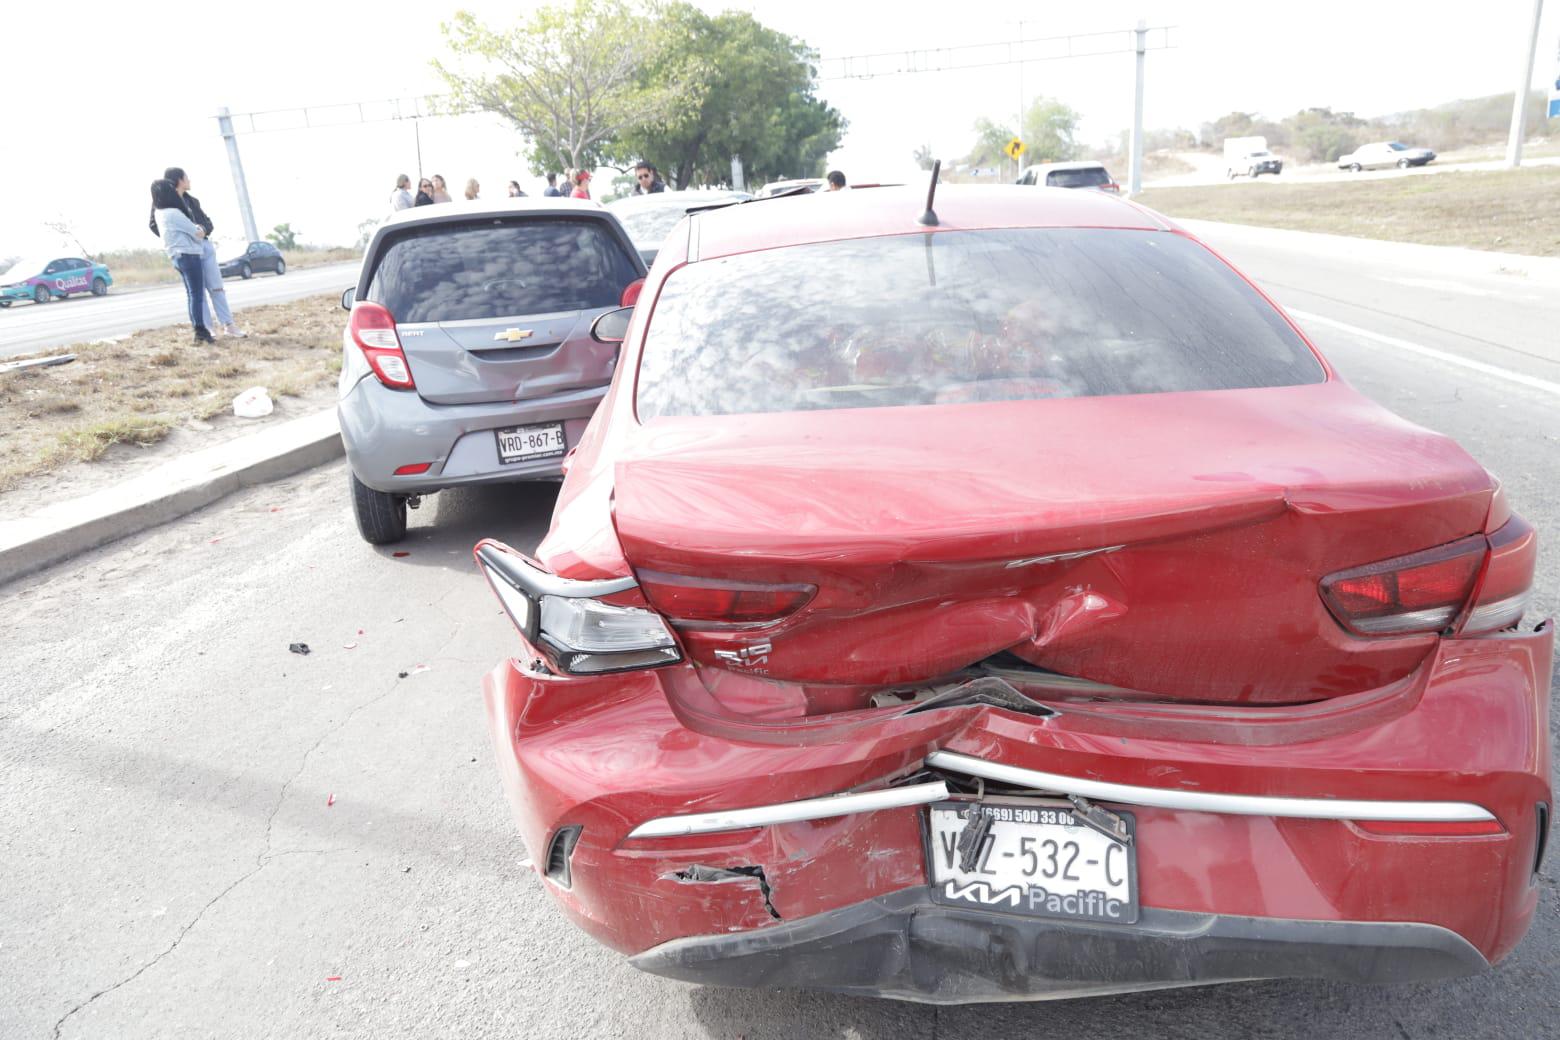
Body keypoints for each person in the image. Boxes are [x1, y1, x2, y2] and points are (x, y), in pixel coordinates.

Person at [146, 166, 246, 338]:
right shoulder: (163, 204)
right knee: (198, 292)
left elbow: (207, 222)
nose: (189, 180)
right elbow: (154, 225)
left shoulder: (192, 201)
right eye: (187, 177)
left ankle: (228, 325)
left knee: (216, 287)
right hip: (187, 250)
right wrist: (177, 239)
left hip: (203, 245)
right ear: (178, 180)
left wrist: (203, 231)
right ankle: (207, 328)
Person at [151, 179, 214, 344]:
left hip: (176, 256)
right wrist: (201, 229)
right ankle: (200, 330)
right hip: (188, 255)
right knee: (196, 295)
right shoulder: (174, 213)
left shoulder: (159, 213)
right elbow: (197, 233)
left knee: (192, 294)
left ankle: (198, 329)